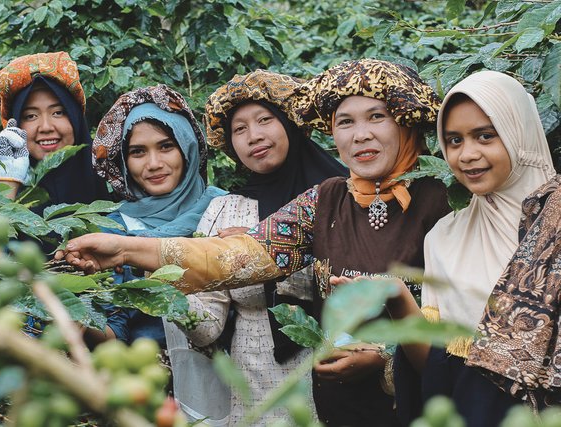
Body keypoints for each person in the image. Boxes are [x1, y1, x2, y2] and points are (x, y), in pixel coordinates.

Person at [56, 59, 450, 426]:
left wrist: (386, 358)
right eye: (344, 122)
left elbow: (467, 319)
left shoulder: (448, 201)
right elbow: (239, 257)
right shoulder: (325, 198)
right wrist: (124, 249)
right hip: (338, 410)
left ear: (405, 120)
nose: (360, 135)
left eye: (376, 117)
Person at [164, 70, 347, 425]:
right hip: (254, 392)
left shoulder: (341, 197)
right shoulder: (225, 210)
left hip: (338, 378)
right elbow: (208, 328)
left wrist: (260, 244)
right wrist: (170, 288)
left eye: (265, 120)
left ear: (291, 124)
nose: (254, 136)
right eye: (240, 129)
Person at [389, 70, 556, 427]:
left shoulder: (555, 223)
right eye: (454, 140)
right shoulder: (444, 238)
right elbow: (437, 371)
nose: (467, 155)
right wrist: (397, 299)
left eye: (485, 136)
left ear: (518, 133)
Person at [86, 85, 226, 350]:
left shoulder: (224, 209)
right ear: (124, 162)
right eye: (138, 152)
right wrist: (73, 317)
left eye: (166, 147)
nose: (153, 164)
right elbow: (114, 330)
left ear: (188, 149)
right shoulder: (113, 229)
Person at [0, 52, 110, 218]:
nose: (45, 127)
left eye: (58, 112)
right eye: (30, 116)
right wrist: (8, 183)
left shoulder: (110, 174)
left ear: (76, 118)